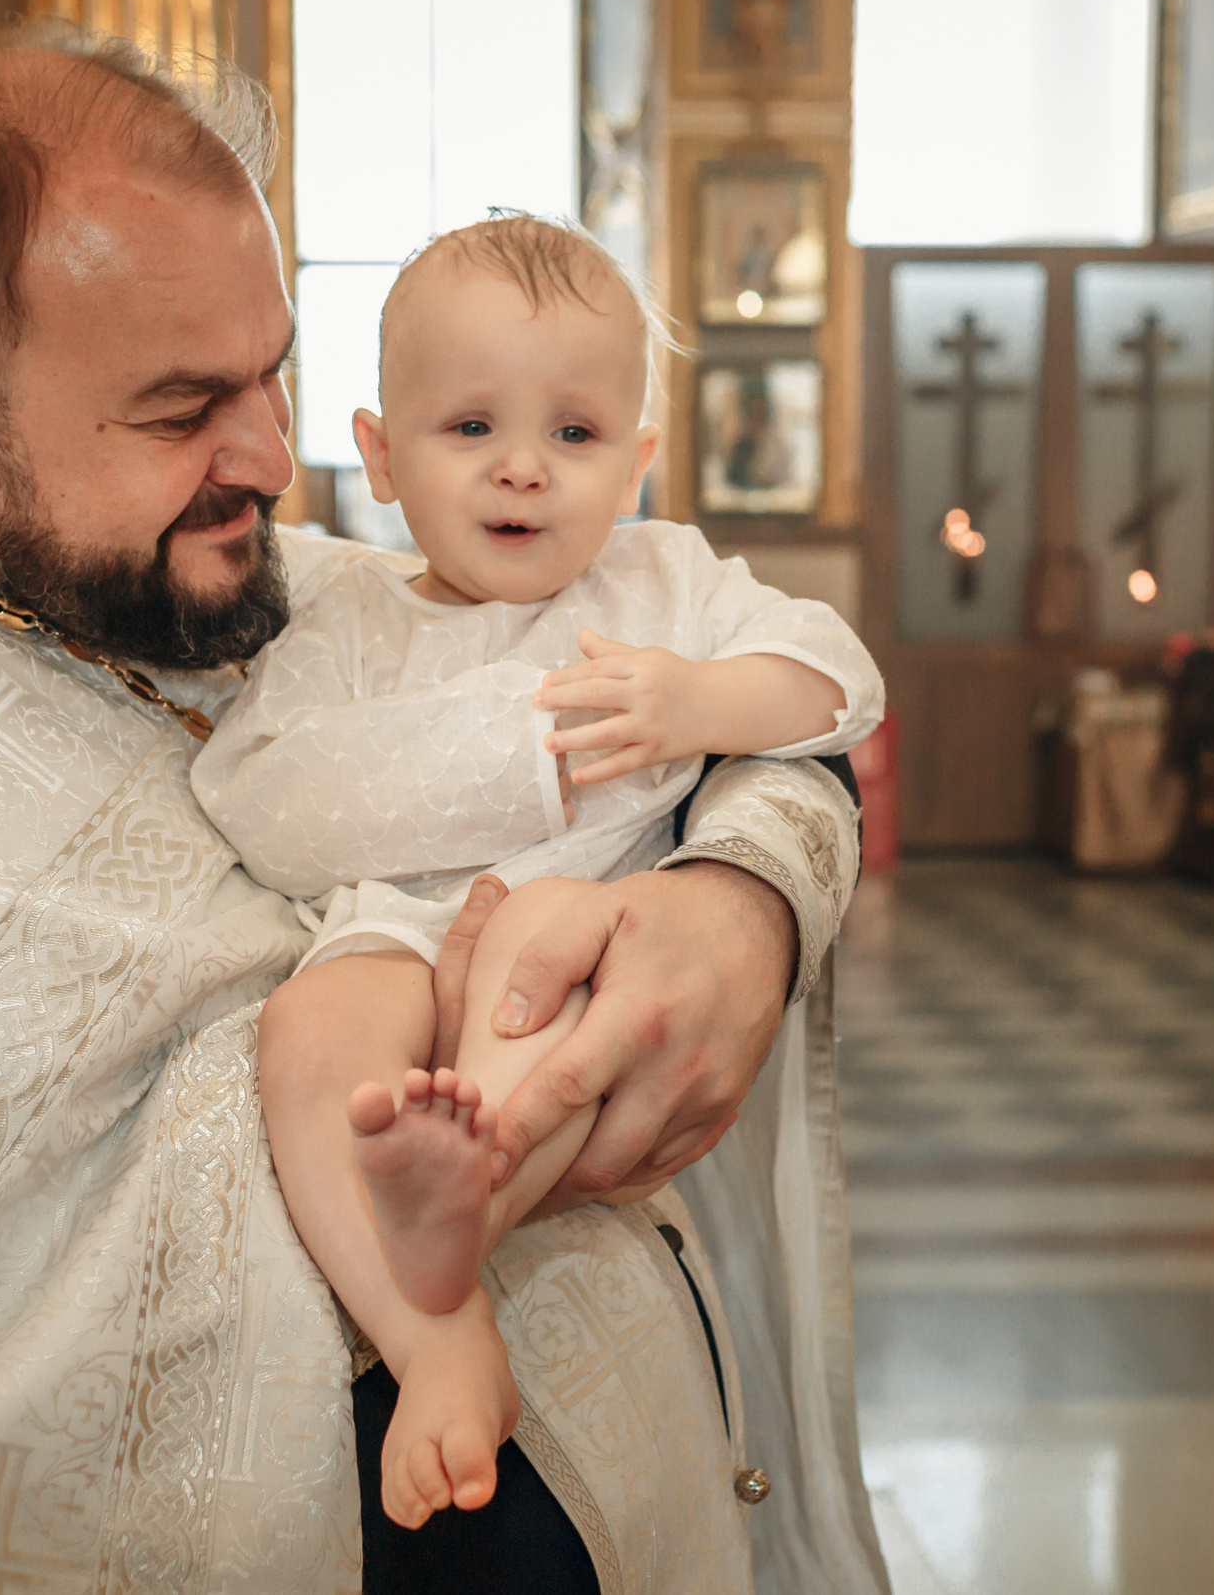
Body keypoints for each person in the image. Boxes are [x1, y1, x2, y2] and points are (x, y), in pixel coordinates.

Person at [0, 20, 884, 1593]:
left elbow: (770, 714)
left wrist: (740, 905)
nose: (271, 460)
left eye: (275, 373)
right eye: (183, 403)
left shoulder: (285, 584)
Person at [191, 214, 882, 1530]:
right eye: (469, 430)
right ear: (382, 457)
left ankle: (471, 1198)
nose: (521, 470)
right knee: (311, 1030)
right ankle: (440, 1335)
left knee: (549, 935)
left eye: (572, 434)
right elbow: (261, 796)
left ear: (638, 458)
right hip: (388, 923)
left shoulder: (665, 579)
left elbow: (842, 678)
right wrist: (524, 746)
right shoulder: (344, 616)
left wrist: (698, 699)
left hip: (566, 940)